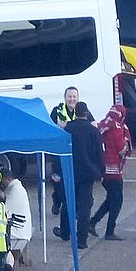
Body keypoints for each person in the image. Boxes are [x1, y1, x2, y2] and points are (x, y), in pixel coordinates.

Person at [53, 102, 104, 249]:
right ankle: (82, 239)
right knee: (84, 207)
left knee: (68, 203)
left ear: (75, 112)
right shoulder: (93, 131)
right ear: (87, 113)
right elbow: (99, 153)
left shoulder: (68, 129)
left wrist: (57, 170)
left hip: (70, 171)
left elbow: (60, 151)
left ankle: (65, 232)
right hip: (88, 174)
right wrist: (101, 171)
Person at [49, 87, 96, 215]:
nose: (72, 99)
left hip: (77, 152)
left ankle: (72, 209)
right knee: (58, 182)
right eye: (69, 96)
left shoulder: (81, 110)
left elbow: (94, 124)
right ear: (65, 98)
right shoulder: (57, 110)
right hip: (60, 151)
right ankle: (57, 201)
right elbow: (50, 127)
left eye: (74, 96)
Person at [89, 104, 132, 241]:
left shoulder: (103, 124)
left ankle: (93, 222)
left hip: (102, 168)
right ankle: (109, 231)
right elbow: (121, 149)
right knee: (117, 200)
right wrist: (127, 144)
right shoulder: (118, 127)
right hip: (113, 170)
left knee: (111, 199)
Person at [0, 169, 33, 266]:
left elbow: (3, 213)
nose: (0, 184)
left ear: (8, 179)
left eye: (1, 180)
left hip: (18, 232)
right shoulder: (18, 188)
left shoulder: (13, 191)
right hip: (24, 228)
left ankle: (7, 265)